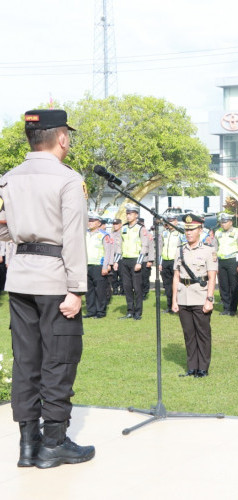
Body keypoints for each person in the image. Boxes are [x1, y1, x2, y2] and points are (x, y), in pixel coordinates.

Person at [0, 108, 94, 468]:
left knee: (26, 362)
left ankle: (27, 446)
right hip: (55, 279)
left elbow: (2, 227)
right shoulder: (68, 180)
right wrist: (76, 289)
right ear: (62, 138)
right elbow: (72, 238)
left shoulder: (9, 178)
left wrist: (23, 234)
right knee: (59, 360)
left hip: (20, 278)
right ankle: (53, 443)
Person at [172, 214, 217, 377]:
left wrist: (209, 299)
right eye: (186, 230)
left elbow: (212, 277)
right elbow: (176, 276)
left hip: (200, 296)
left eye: (192, 229)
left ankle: (203, 368)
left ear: (200, 230)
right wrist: (174, 300)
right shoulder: (180, 251)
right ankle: (192, 367)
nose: (188, 233)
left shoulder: (208, 251)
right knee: (188, 334)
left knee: (203, 334)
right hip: (184, 296)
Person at [119, 204, 149, 320]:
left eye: (130, 213)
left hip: (136, 260)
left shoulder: (141, 228)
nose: (128, 216)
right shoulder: (124, 227)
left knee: (137, 288)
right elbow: (119, 244)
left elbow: (144, 246)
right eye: (127, 213)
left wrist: (139, 262)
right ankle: (130, 311)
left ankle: (138, 312)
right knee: (127, 287)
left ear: (136, 215)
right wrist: (118, 260)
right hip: (125, 260)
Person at [214, 213, 238, 316]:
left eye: (225, 222)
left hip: (232, 261)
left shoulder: (237, 232)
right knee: (223, 285)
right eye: (222, 222)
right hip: (221, 261)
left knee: (233, 285)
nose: (223, 224)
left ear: (230, 222)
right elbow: (214, 249)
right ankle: (226, 308)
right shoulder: (218, 232)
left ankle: (233, 309)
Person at [85, 212, 112, 319]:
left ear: (98, 223)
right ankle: (91, 311)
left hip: (98, 266)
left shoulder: (104, 235)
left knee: (100, 290)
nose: (90, 223)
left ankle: (100, 311)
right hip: (87, 265)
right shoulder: (84, 233)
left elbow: (108, 252)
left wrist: (105, 266)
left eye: (92, 221)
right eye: (89, 220)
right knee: (89, 290)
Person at [158, 214, 181, 314]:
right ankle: (169, 306)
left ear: (176, 221)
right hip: (165, 261)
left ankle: (178, 305)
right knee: (167, 286)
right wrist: (160, 262)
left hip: (175, 262)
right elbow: (160, 248)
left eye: (172, 221)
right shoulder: (164, 233)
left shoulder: (180, 233)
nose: (170, 223)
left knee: (177, 285)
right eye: (168, 221)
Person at [110, 218, 123, 296]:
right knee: (113, 275)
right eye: (114, 224)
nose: (115, 225)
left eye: (117, 224)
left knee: (122, 275)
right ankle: (115, 289)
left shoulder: (123, 233)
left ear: (120, 224)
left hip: (121, 257)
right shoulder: (111, 234)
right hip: (113, 256)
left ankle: (122, 290)